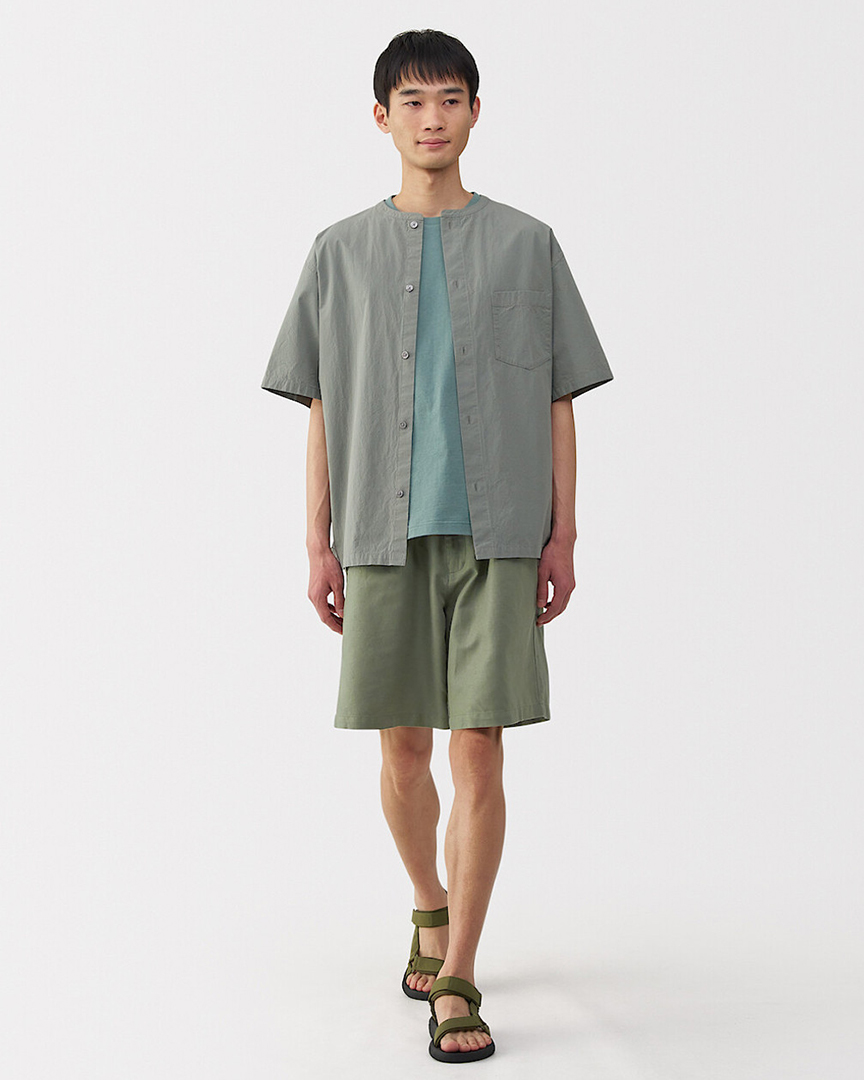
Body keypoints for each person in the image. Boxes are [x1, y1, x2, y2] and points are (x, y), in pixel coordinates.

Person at [260, 28, 613, 1063]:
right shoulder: (338, 252)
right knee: (404, 751)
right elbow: (321, 404)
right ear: (382, 118)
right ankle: (428, 898)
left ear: (474, 113)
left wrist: (564, 532)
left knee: (479, 746)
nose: (432, 118)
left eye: (450, 99)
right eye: (412, 102)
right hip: (379, 531)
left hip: (500, 534)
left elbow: (560, 397)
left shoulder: (528, 244)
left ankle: (458, 974)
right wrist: (317, 539)